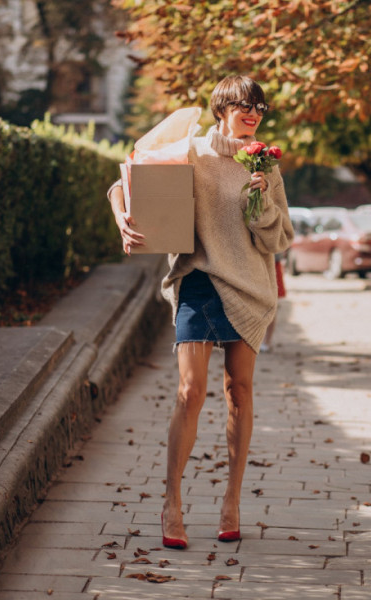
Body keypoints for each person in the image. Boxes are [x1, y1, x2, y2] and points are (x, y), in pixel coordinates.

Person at [109, 76, 293, 549]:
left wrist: (261, 203)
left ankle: (231, 501)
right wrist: (123, 222)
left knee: (240, 390)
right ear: (221, 108)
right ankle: (172, 502)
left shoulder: (264, 164)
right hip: (197, 281)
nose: (252, 114)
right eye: (243, 105)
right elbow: (123, 182)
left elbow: (279, 240)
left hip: (250, 286)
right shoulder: (190, 151)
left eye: (259, 107)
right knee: (190, 391)